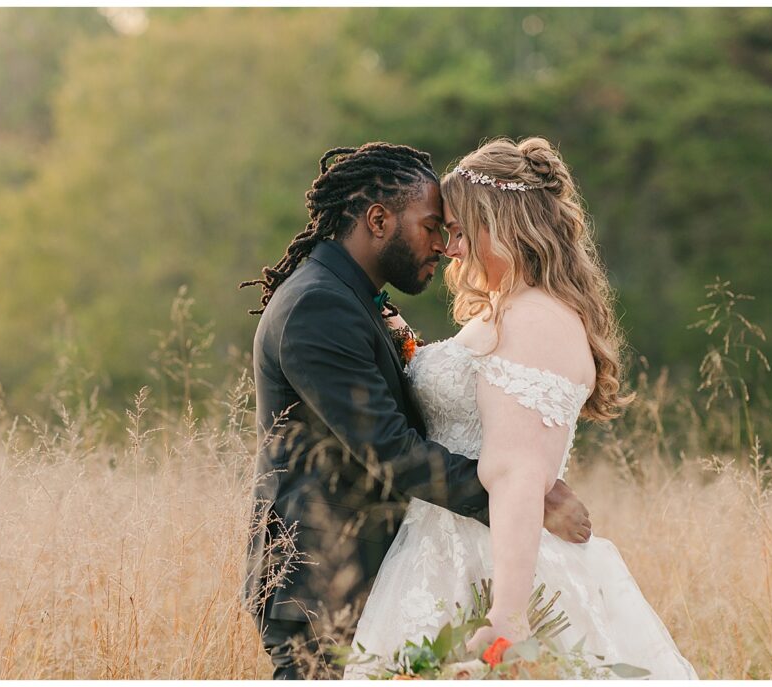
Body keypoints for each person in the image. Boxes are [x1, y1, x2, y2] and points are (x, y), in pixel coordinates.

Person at [344, 137, 698, 679]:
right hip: (440, 551)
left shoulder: (536, 319)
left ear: (503, 224)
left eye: (460, 231)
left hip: (496, 567)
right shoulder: (506, 311)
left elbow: (513, 471)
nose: (451, 249)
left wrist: (508, 616)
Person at [239, 142, 593, 679]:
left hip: (379, 576)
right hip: (323, 582)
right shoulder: (318, 305)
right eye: (432, 227)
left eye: (451, 229)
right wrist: (525, 496)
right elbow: (390, 448)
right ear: (378, 220)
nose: (444, 245)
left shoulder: (347, 297)